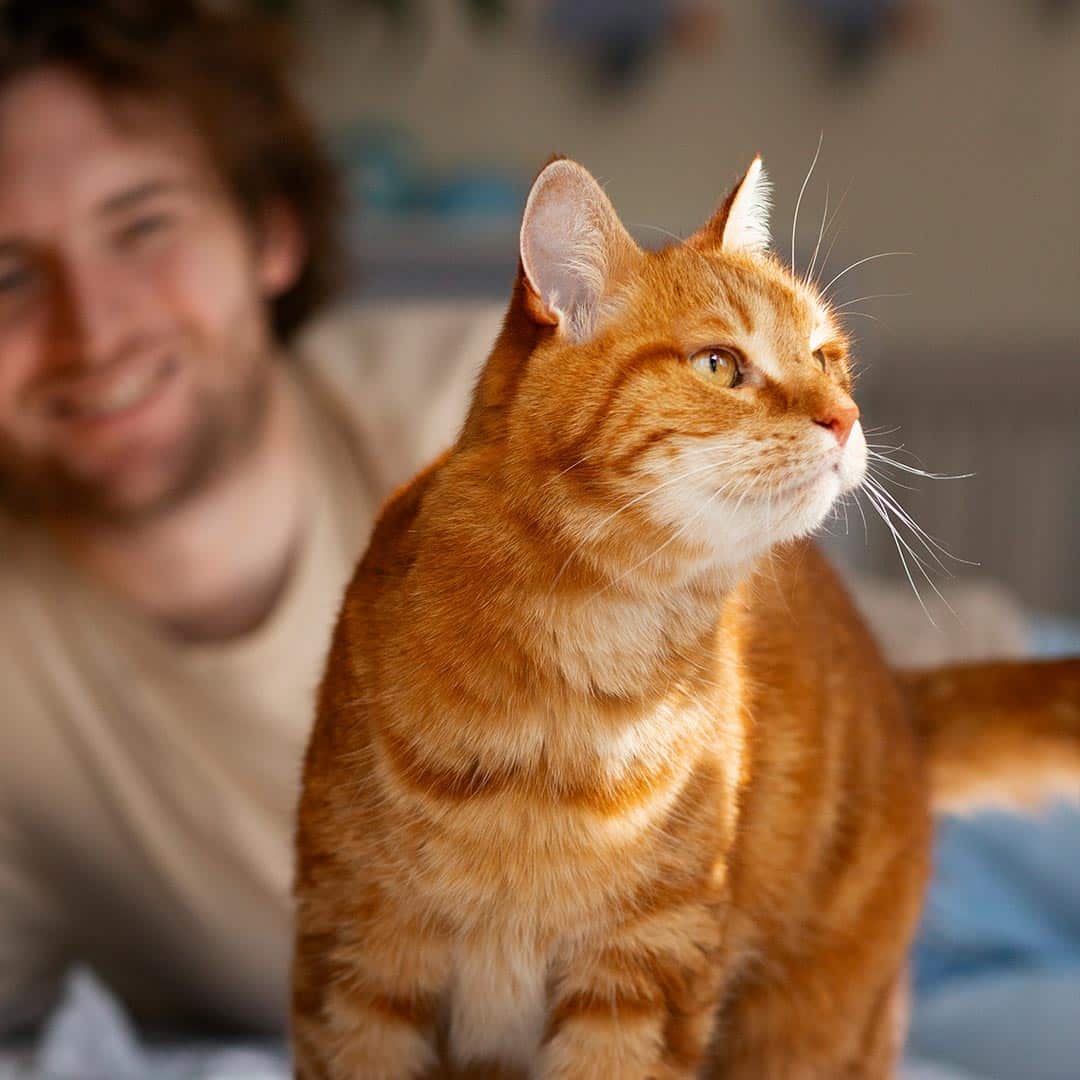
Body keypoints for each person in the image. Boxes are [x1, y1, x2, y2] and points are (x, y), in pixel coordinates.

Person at [0, 0, 501, 1036]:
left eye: (142, 225)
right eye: (5, 275)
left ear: (271, 232)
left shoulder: (503, 418)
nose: (90, 330)